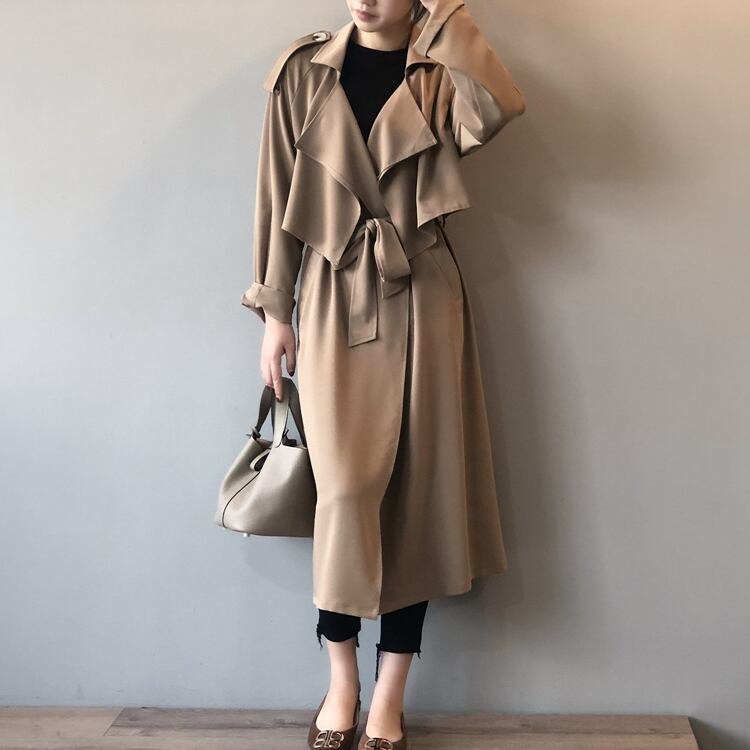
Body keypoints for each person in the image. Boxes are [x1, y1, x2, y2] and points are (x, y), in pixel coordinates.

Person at [241, 1, 526, 747]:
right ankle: (342, 681)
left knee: (418, 500)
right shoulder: (303, 71)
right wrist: (274, 313)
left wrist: (446, 14)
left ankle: (389, 696)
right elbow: (275, 191)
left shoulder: (438, 73)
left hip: (424, 293)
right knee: (342, 493)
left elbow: (497, 105)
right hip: (331, 295)